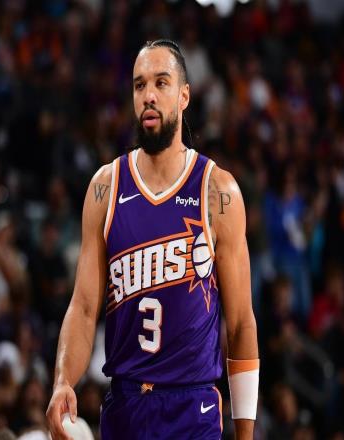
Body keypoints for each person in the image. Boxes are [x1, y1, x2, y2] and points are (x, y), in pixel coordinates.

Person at [46, 39, 259, 440]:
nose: (148, 95)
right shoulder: (106, 187)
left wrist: (245, 434)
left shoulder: (217, 190)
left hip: (192, 407)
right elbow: (84, 307)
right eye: (139, 85)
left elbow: (241, 323)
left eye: (161, 83)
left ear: (184, 96)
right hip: (126, 405)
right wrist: (63, 381)